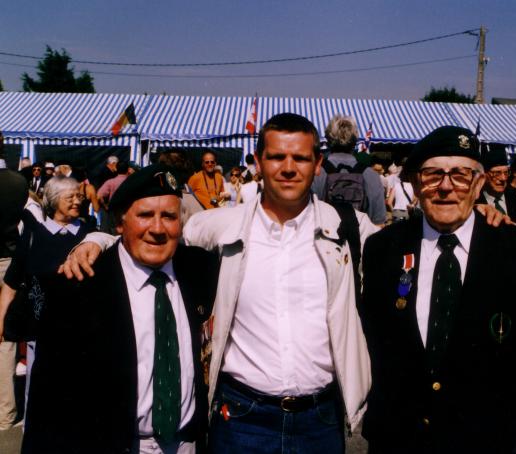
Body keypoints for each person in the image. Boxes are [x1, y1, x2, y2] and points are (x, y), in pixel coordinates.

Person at [63, 113, 377, 454]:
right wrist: (97, 240)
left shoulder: (349, 229)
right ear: (258, 162)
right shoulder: (220, 226)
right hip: (242, 418)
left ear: (317, 163)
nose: (288, 168)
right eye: (276, 157)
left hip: (321, 420)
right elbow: (157, 237)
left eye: (300, 158)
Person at [359, 126, 516, 453]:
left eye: (461, 176)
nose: (445, 187)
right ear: (414, 183)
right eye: (432, 175)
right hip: (400, 443)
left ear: (480, 184)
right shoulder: (382, 250)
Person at [21, 164, 219, 453]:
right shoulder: (78, 287)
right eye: (145, 215)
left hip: (188, 443)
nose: (157, 228)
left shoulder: (200, 269)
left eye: (169, 216)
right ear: (119, 222)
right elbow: (48, 400)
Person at [0, 176, 93, 425]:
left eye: (79, 196)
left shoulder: (89, 236)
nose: (77, 201)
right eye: (70, 197)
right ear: (53, 201)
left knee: (76, 395)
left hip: (80, 331)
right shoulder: (33, 236)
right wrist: (0, 320)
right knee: (38, 394)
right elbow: (10, 283)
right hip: (39, 331)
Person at [311, 114, 387, 226]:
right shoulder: (371, 176)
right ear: (355, 141)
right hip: (362, 240)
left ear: (327, 139)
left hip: (324, 240)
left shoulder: (316, 174)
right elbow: (379, 223)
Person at [0, 169, 28, 431]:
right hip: (8, 260)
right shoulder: (18, 182)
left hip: (9, 261)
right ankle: (5, 414)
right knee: (5, 341)